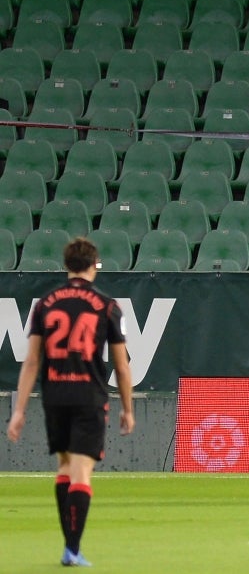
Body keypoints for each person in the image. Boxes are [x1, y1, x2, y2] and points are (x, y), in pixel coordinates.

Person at [6, 237, 134, 567]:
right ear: (94, 265)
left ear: (66, 266)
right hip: (88, 396)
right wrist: (128, 409)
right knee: (82, 473)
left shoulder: (45, 304)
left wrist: (19, 410)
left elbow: (31, 361)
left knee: (64, 468)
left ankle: (69, 545)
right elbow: (121, 364)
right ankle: (73, 549)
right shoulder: (106, 305)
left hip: (55, 394)